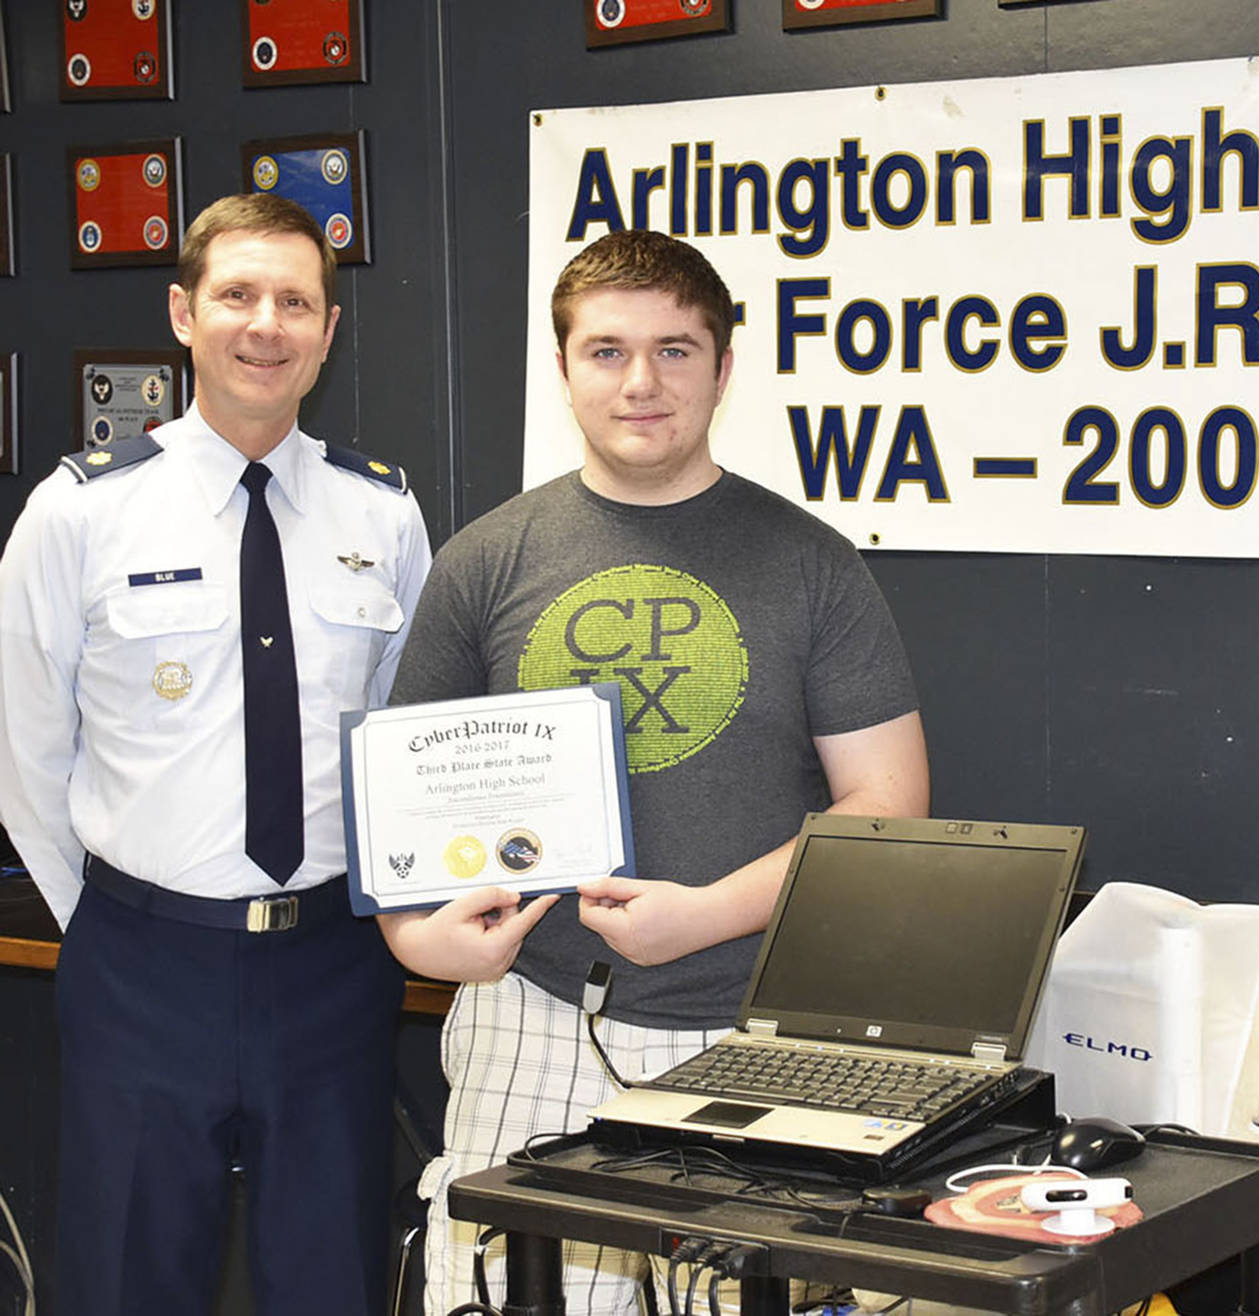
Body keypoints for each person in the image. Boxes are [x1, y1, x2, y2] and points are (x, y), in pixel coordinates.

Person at [377, 228, 929, 1314]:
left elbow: (888, 803)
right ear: (564, 366)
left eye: (676, 350)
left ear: (724, 367)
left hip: (755, 1030)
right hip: (529, 1016)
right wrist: (414, 935)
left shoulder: (812, 561)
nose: (641, 382)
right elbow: (410, 801)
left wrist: (706, 914)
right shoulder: (484, 561)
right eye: (607, 350)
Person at [0, 194, 431, 1314]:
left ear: (328, 333)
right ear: (184, 313)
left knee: (329, 1279)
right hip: (144, 964)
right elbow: (26, 750)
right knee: (128, 1278)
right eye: (238, 294)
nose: (267, 323)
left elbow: (399, 735)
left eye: (297, 300)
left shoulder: (380, 514)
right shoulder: (79, 514)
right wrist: (107, 917)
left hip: (332, 967)